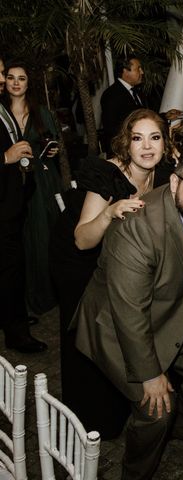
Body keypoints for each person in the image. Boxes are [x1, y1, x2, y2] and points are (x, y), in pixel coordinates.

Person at [73, 150, 183, 480]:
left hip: (170, 311)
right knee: (156, 408)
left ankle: (177, 433)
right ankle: (136, 472)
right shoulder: (138, 228)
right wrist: (150, 374)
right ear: (174, 182)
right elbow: (129, 311)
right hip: (117, 325)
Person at [49, 109, 172, 439]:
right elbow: (82, 238)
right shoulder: (108, 174)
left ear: (165, 143)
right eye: (137, 138)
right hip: (79, 258)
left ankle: (119, 407)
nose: (146, 146)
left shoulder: (165, 175)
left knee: (120, 328)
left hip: (117, 257)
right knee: (87, 333)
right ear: (125, 144)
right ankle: (88, 422)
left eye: (155, 137)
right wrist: (110, 211)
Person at [3, 60, 63, 315]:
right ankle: (20, 300)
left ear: (29, 83)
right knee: (16, 241)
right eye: (11, 77)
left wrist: (52, 150)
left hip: (40, 181)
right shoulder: (1, 112)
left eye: (22, 78)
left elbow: (52, 143)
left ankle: (43, 293)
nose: (16, 82)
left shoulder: (41, 112)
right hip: (8, 184)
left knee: (41, 236)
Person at [0, 55, 48, 354]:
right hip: (3, 207)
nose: (3, 78)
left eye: (2, 72)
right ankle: (17, 333)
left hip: (11, 201)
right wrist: (6, 158)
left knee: (11, 269)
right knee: (9, 269)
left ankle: (12, 316)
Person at [100, 56, 145, 154]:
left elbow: (141, 116)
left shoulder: (136, 91)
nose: (142, 72)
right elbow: (111, 128)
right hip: (122, 151)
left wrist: (164, 115)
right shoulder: (111, 94)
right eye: (138, 69)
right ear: (125, 71)